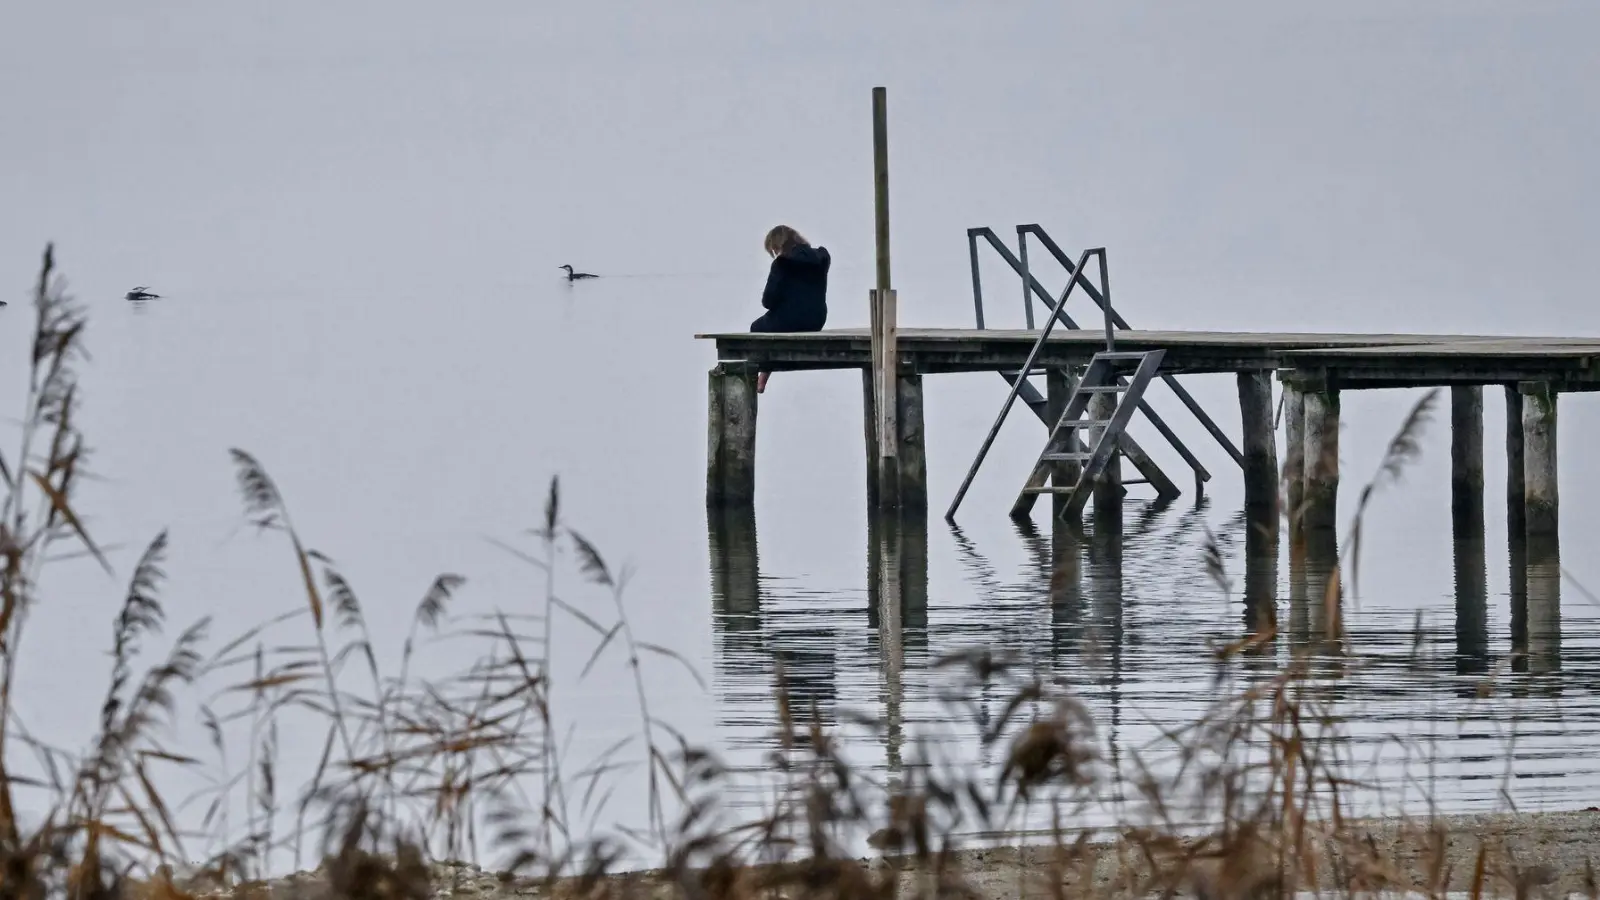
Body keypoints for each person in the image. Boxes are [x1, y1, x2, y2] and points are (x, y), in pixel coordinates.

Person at [750, 225, 830, 393]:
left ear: (779, 246)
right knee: (769, 325)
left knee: (757, 328)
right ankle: (764, 376)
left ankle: (760, 377)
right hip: (816, 320)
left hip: (789, 320)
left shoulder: (782, 264)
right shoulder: (822, 257)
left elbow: (768, 301)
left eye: (774, 250)